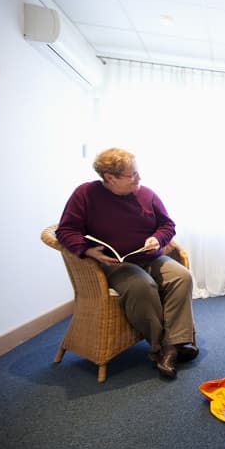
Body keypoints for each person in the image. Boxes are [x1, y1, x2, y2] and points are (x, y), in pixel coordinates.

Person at [55, 147, 197, 379]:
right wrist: (88, 251)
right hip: (115, 263)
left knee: (182, 277)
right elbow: (66, 231)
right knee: (143, 287)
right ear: (110, 178)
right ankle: (161, 348)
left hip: (150, 257)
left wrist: (157, 239)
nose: (139, 178)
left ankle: (172, 346)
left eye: (137, 172)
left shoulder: (147, 194)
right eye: (132, 175)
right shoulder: (85, 195)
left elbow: (167, 225)